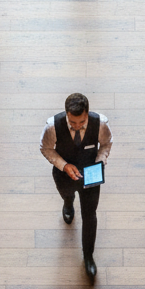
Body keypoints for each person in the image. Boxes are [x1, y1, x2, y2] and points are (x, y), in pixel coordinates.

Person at [40, 92, 112, 279]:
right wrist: (64, 166)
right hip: (63, 175)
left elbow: (106, 145)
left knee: (90, 215)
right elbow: (45, 148)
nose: (77, 126)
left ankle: (88, 257)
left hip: (90, 176)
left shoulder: (101, 124)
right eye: (72, 123)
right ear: (66, 115)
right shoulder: (52, 127)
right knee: (66, 194)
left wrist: (99, 163)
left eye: (81, 122)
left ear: (87, 114)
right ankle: (68, 203)